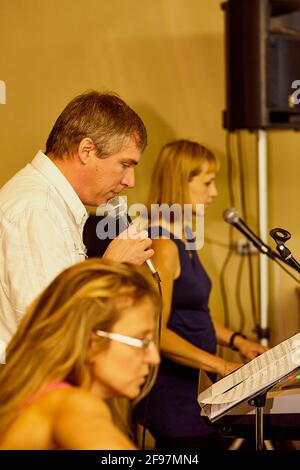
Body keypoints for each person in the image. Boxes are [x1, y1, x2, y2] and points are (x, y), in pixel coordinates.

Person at [134, 139, 266, 450]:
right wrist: (222, 367)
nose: (214, 193)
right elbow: (156, 332)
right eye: (207, 182)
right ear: (180, 183)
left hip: (199, 391)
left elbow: (193, 312)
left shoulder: (185, 237)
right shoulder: (162, 245)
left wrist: (237, 342)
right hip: (174, 398)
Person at [0, 91, 154, 346]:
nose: (130, 181)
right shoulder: (38, 209)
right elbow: (49, 330)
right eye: (125, 164)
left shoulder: (52, 204)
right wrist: (111, 267)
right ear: (86, 150)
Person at [0, 258, 160, 450]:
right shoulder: (70, 403)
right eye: (142, 341)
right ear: (91, 342)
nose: (154, 358)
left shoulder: (40, 397)